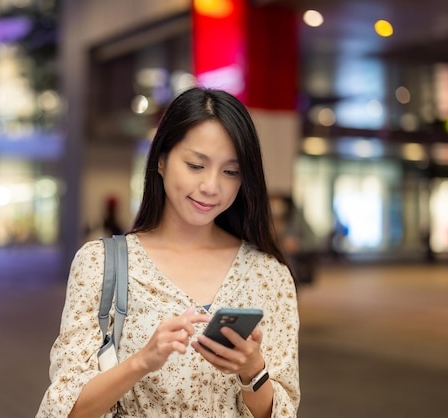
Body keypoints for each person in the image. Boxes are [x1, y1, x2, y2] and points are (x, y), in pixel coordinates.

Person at [36, 87, 300, 417]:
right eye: (195, 165)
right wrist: (142, 362)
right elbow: (64, 409)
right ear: (161, 160)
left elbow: (283, 412)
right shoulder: (101, 264)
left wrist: (252, 370)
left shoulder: (269, 275)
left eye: (231, 172)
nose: (211, 186)